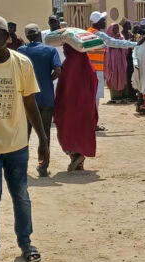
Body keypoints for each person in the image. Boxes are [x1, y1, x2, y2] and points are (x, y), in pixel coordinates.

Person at [0, 15, 49, 262]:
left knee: (21, 196)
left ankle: (26, 242)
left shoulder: (22, 63)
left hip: (16, 144)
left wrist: (43, 141)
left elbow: (30, 104)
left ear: (7, 36)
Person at [16, 24, 61, 177]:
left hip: (26, 98)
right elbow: (58, 71)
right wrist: (47, 79)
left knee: (25, 133)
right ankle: (43, 165)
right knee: (45, 133)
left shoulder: (21, 51)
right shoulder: (50, 50)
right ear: (40, 35)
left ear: (27, 36)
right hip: (46, 97)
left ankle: (20, 166)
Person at [87, 11, 138, 131]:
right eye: (103, 20)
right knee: (95, 100)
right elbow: (115, 43)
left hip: (89, 69)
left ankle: (89, 123)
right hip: (96, 71)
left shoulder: (88, 32)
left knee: (90, 98)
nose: (105, 22)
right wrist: (136, 43)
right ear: (97, 22)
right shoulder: (98, 34)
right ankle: (92, 124)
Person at [54, 43, 98, 172]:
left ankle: (74, 155)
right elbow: (94, 82)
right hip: (85, 105)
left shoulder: (68, 63)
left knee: (65, 129)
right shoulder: (87, 62)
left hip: (68, 105)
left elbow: (62, 86)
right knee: (83, 130)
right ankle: (79, 161)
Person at [104, 23, 129, 104]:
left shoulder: (121, 37)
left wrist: (119, 40)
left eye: (117, 28)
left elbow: (126, 48)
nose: (116, 30)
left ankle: (122, 96)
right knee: (113, 77)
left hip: (121, 61)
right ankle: (114, 97)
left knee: (121, 76)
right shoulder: (107, 38)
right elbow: (106, 49)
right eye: (114, 28)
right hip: (111, 62)